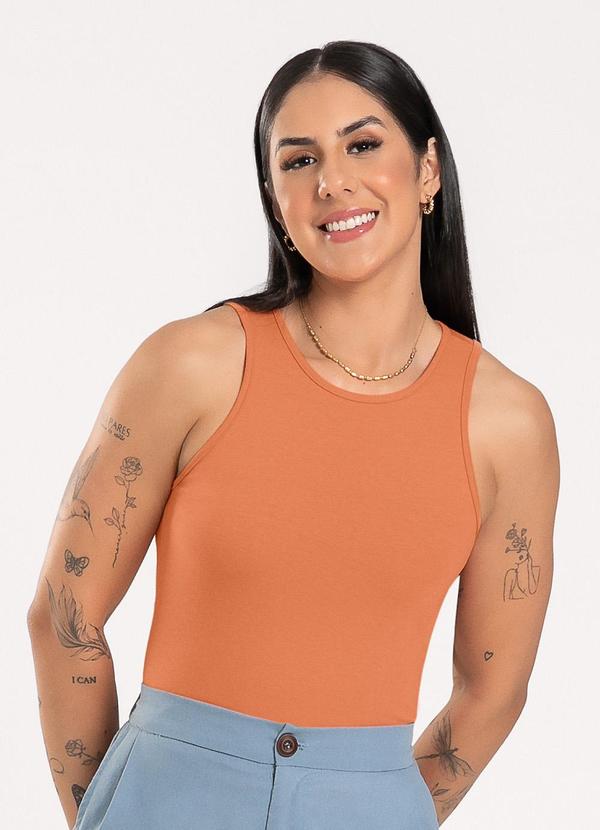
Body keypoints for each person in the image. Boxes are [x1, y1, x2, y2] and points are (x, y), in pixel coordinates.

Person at [26, 40, 559, 829]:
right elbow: (63, 617)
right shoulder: (192, 364)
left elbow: (493, 690)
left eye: (363, 145)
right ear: (276, 201)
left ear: (428, 170)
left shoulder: (508, 423)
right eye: (299, 160)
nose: (332, 180)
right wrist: (104, 815)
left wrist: (382, 807)